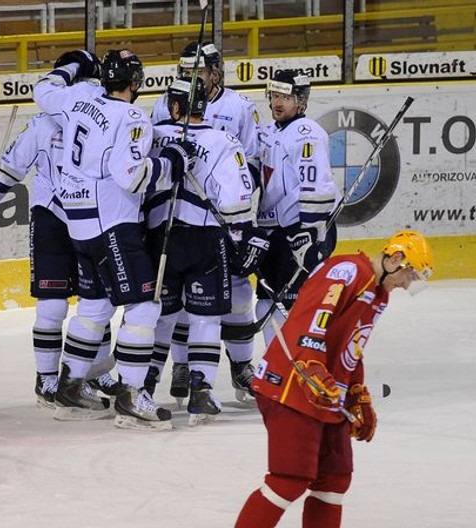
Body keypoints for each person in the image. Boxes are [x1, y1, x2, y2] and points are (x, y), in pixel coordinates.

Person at [34, 48, 194, 430]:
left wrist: (74, 65)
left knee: (94, 304)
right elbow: (132, 176)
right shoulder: (133, 116)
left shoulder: (78, 100)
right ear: (135, 83)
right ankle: (131, 395)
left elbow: (43, 90)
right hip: (113, 225)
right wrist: (172, 160)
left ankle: (70, 387)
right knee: (144, 305)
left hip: (78, 224)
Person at [234, 230, 434, 528]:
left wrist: (356, 391)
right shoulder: (347, 271)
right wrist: (311, 363)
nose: (406, 285)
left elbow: (352, 346)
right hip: (291, 383)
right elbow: (314, 315)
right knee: (289, 479)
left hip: (323, 390)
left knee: (334, 479)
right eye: (409, 276)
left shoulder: (379, 295)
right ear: (395, 259)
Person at [0, 50, 122, 410]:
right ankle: (92, 373)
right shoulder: (103, 109)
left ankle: (49, 381)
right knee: (94, 300)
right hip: (90, 215)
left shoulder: (44, 118)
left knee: (57, 305)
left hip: (51, 215)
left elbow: (10, 167)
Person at [143, 76, 267, 426]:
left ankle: (145, 387)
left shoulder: (154, 136)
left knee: (159, 316)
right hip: (204, 239)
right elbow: (235, 201)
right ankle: (201, 390)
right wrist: (245, 235)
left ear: (174, 106)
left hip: (159, 237)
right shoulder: (223, 140)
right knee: (206, 318)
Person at [256, 69, 340, 348]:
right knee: (267, 301)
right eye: (275, 95)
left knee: (297, 303)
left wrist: (309, 232)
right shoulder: (268, 132)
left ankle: (303, 363)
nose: (278, 102)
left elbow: (315, 186)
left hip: (300, 231)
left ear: (302, 102)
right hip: (274, 231)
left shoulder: (307, 135)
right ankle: (274, 367)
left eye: (286, 97)